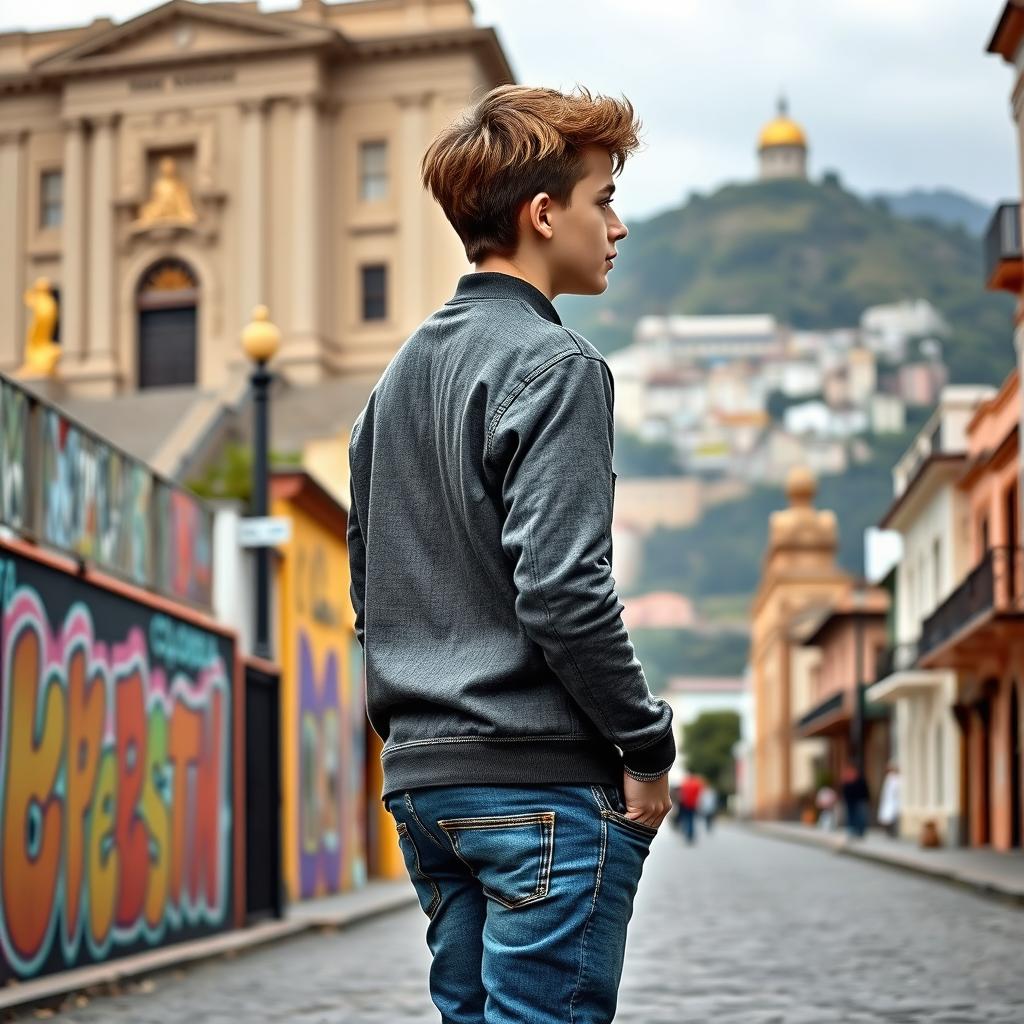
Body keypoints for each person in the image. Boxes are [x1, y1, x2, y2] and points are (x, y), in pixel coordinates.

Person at [347, 85, 675, 1024]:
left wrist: (417, 736)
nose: (617, 225)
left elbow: (371, 593)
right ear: (543, 214)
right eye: (603, 197)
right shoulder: (555, 364)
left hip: (424, 787)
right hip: (535, 784)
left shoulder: (394, 384)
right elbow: (566, 593)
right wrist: (648, 747)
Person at [840, 762, 870, 839]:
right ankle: (852, 830)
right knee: (851, 816)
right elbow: (844, 791)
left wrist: (866, 798)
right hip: (850, 802)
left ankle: (860, 831)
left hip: (860, 800)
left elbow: (865, 790)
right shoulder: (847, 781)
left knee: (860, 816)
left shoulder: (860, 780)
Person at [877, 762, 902, 839]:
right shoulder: (890, 777)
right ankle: (889, 831)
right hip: (890, 799)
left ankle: (893, 831)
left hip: (895, 799)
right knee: (889, 816)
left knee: (893, 815)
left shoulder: (897, 778)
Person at [678, 773, 703, 844]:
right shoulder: (696, 784)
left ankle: (687, 833)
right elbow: (699, 795)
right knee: (691, 819)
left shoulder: (685, 783)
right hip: (693, 804)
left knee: (686, 818)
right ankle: (690, 834)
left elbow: (682, 794)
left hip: (685, 804)